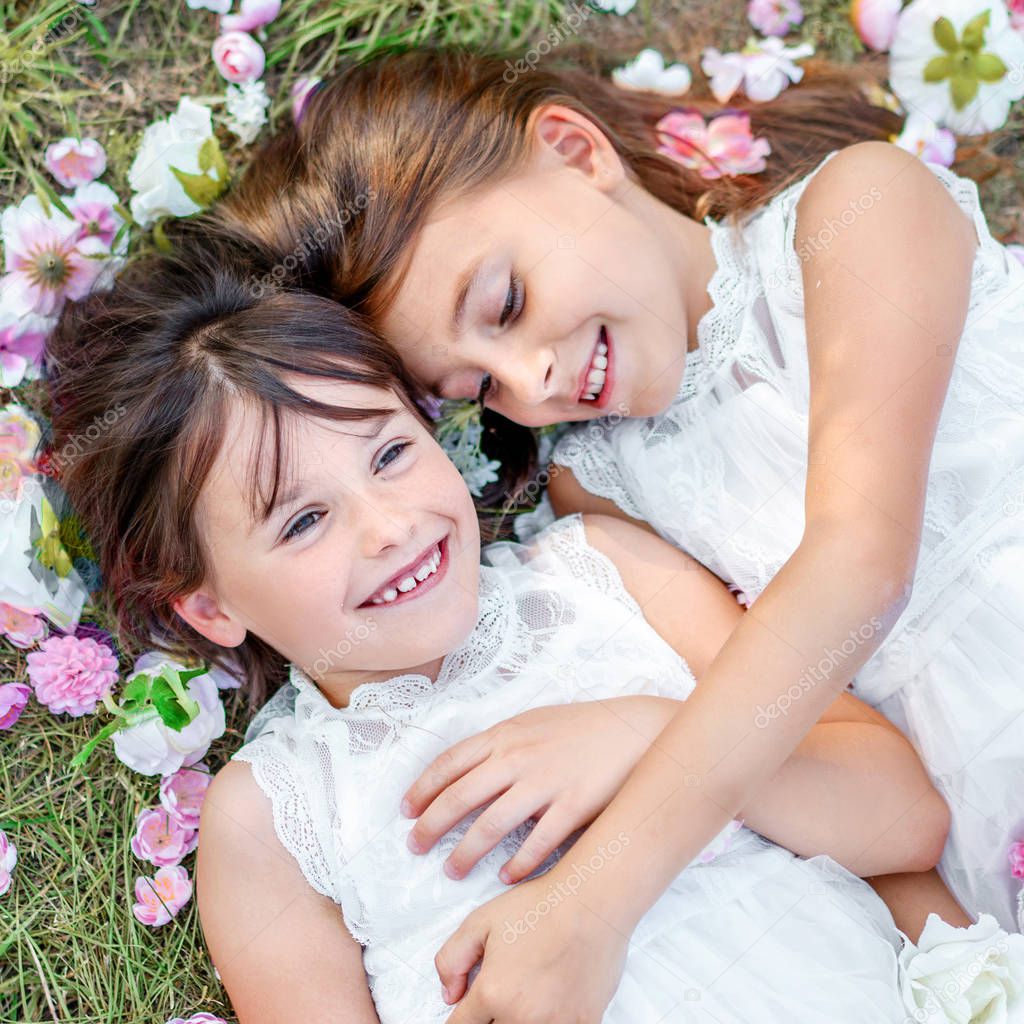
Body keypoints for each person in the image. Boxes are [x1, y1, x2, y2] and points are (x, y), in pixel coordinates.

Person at [206, 47, 1024, 1001]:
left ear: (574, 149)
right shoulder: (598, 494)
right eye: (477, 390)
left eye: (505, 304)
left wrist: (592, 901)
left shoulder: (856, 217)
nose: (532, 384)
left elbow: (857, 563)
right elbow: (798, 733)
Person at [45, 245, 1010, 1024]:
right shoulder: (273, 816)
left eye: (388, 453)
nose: (388, 528)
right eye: (302, 521)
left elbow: (901, 819)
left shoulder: (604, 574)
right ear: (209, 608)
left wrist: (647, 734)